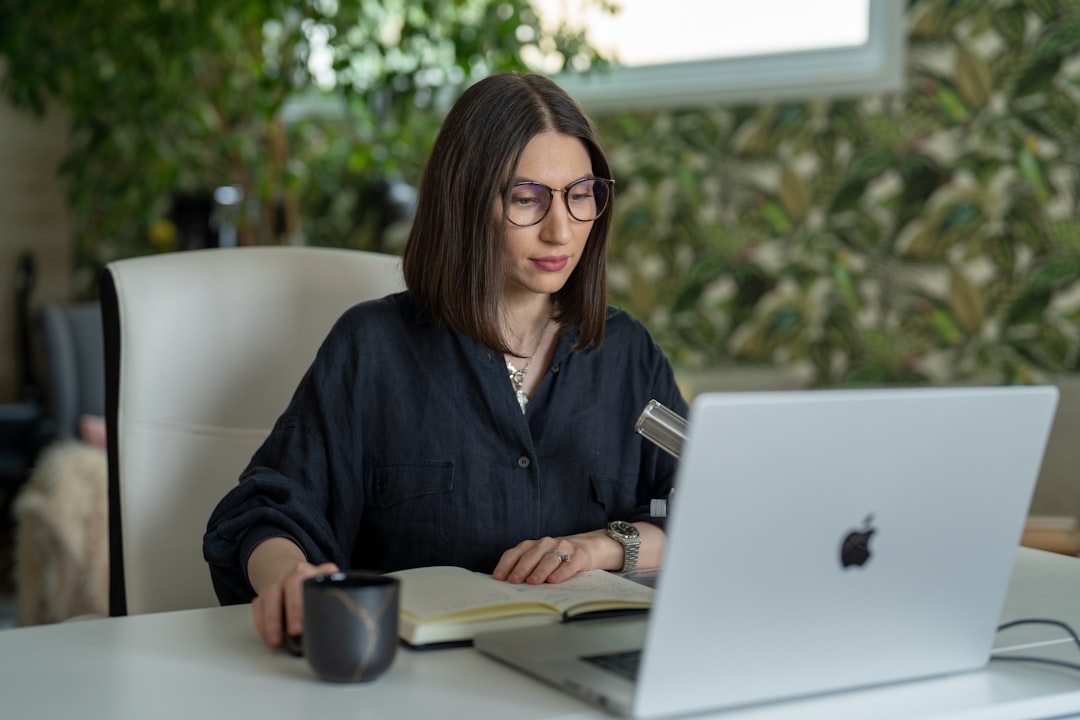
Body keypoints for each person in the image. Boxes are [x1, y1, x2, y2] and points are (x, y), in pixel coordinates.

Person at [202, 71, 689, 649]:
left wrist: (600, 546)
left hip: (587, 668)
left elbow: (706, 510)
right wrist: (289, 578)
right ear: (465, 202)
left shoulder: (627, 355)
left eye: (580, 196)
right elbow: (266, 514)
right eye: (526, 198)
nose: (561, 230)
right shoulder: (374, 348)